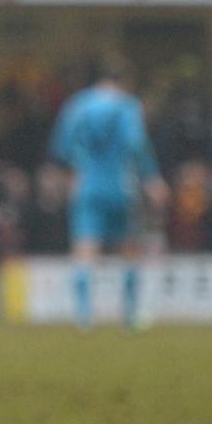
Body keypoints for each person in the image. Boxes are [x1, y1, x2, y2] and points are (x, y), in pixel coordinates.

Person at [48, 54, 168, 330]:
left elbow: (62, 146)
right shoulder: (127, 107)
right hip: (120, 185)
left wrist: (70, 174)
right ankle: (130, 316)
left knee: (85, 247)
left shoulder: (78, 105)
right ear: (124, 81)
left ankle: (84, 316)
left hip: (87, 184)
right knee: (129, 248)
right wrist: (152, 179)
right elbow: (137, 144)